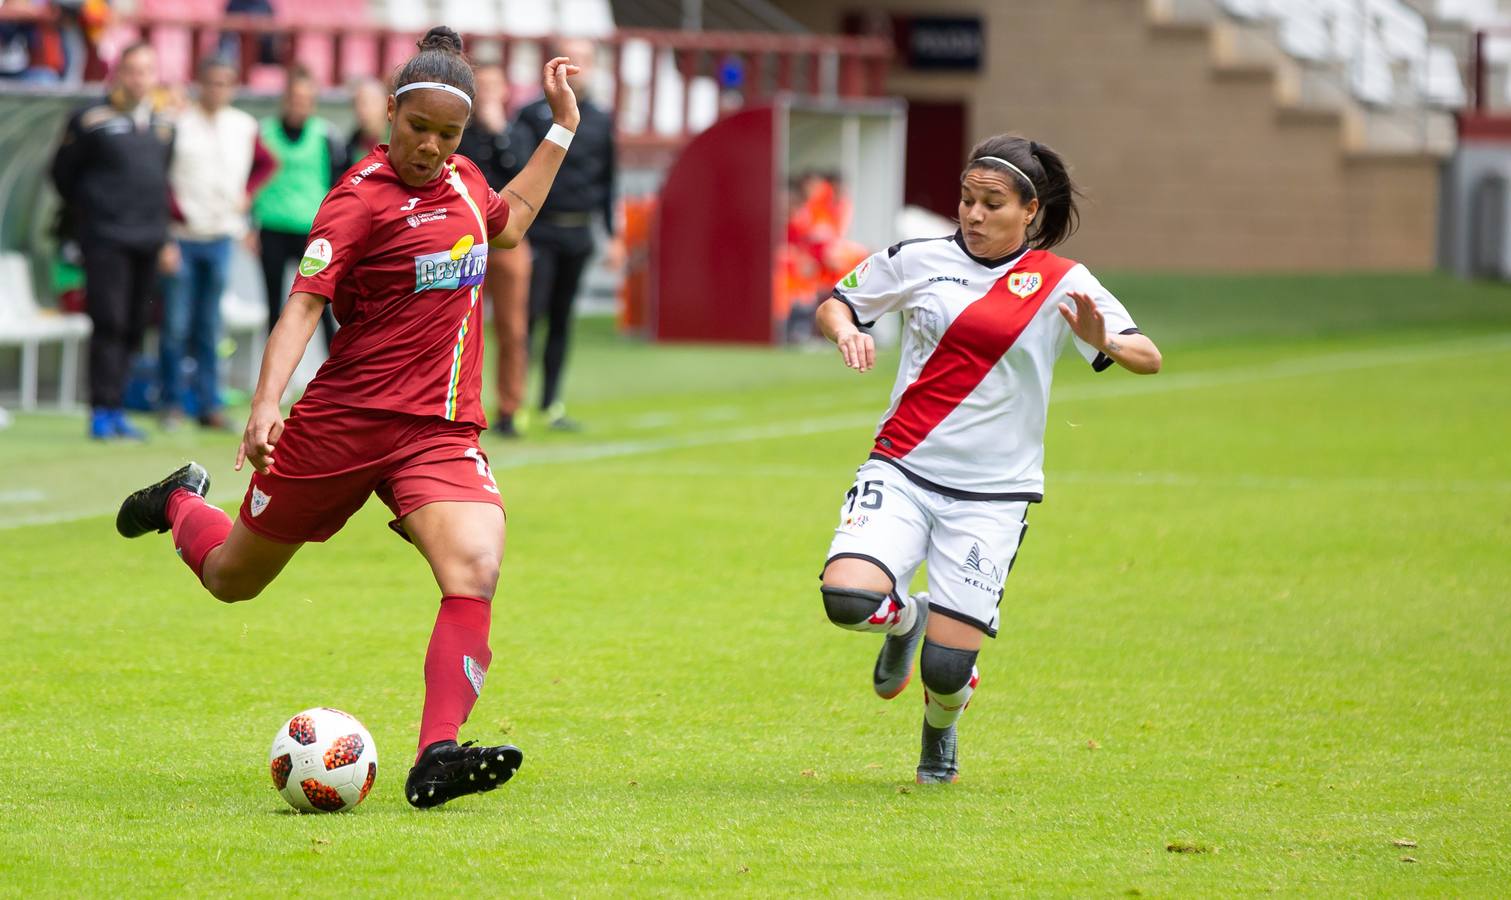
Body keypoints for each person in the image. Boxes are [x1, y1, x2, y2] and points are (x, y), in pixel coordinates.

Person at [114, 27, 581, 809]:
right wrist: (265, 402)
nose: (431, 147)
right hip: (341, 422)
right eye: (418, 129)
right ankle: (179, 501)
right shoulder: (357, 198)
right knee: (233, 580)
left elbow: (513, 220)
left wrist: (562, 127)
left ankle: (436, 754)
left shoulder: (466, 182)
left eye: (447, 134)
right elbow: (303, 306)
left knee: (475, 568)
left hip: (435, 428)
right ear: (389, 117)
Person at [814, 135, 1163, 784]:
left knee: (946, 672)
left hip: (993, 495)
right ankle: (906, 618)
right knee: (846, 600)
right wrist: (846, 330)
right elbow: (836, 301)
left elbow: (1148, 357)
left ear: (1030, 211)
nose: (972, 215)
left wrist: (1102, 338)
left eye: (991, 204)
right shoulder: (917, 259)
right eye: (966, 201)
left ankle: (939, 731)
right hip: (902, 466)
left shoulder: (1065, 282)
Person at [50, 41, 174, 440]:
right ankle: (101, 410)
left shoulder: (164, 123)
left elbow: (163, 178)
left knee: (137, 324)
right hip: (105, 238)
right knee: (109, 321)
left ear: (155, 76)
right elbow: (62, 175)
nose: (140, 78)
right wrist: (94, 213)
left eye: (147, 70)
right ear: (119, 73)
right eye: (132, 70)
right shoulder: (90, 119)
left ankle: (118, 406)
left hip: (149, 238)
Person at [160, 57, 276, 430]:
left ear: (234, 87)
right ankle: (171, 403)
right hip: (183, 236)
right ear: (200, 84)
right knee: (176, 325)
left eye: (226, 82)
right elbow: (159, 175)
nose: (218, 90)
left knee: (210, 326)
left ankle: (210, 404)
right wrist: (170, 218)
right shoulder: (179, 123)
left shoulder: (243, 126)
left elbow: (266, 163)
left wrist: (248, 195)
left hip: (222, 235)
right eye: (212, 82)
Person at [513, 37, 618, 431]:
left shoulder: (602, 118)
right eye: (571, 60)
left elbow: (608, 180)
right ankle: (514, 402)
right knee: (529, 318)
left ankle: (551, 403)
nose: (578, 68)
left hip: (579, 233)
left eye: (586, 60)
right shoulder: (531, 115)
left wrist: (613, 234)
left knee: (562, 320)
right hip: (539, 233)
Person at [457, 62, 531, 438]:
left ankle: (508, 409)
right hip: (466, 242)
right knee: (461, 326)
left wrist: (498, 129)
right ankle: (460, 407)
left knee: (513, 328)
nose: (487, 93)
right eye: (480, 86)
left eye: (493, 86)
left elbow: (521, 173)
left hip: (508, 241)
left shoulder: (517, 132)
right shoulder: (461, 135)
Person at [252, 65, 344, 349]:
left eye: (305, 99)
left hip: (311, 232)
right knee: (273, 304)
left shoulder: (325, 135)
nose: (299, 104)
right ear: (285, 98)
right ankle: (273, 379)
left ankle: (334, 368)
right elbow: (250, 179)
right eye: (294, 98)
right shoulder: (264, 133)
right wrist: (249, 225)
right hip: (272, 228)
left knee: (322, 304)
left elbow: (337, 185)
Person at [344, 76, 388, 169]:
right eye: (357, 103)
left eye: (367, 103)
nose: (362, 110)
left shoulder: (398, 140)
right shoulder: (349, 147)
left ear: (387, 104)